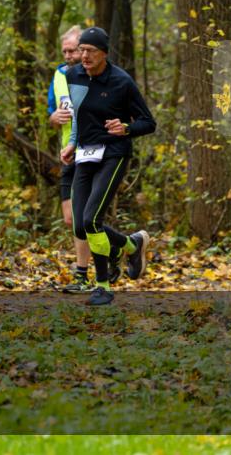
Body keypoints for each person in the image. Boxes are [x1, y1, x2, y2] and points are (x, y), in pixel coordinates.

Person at [60, 26, 155, 306]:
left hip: (113, 154)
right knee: (80, 226)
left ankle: (102, 287)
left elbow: (148, 122)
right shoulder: (72, 75)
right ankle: (130, 244)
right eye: (82, 50)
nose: (84, 56)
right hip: (85, 154)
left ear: (104, 54)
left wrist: (126, 128)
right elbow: (79, 113)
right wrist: (71, 143)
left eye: (90, 51)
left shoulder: (121, 82)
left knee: (92, 221)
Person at [47, 26, 95, 293]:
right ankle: (126, 244)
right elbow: (52, 111)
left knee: (83, 216)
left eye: (73, 50)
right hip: (68, 151)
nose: (68, 55)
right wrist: (53, 117)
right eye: (64, 51)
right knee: (70, 218)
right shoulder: (59, 75)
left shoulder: (95, 75)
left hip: (91, 151)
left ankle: (82, 274)